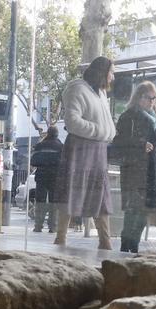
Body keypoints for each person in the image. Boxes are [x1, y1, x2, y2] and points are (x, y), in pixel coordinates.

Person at [54, 56, 117, 249]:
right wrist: (101, 131)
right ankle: (61, 238)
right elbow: (72, 122)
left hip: (97, 151)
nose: (113, 77)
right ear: (102, 72)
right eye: (111, 72)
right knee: (72, 191)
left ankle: (105, 241)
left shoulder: (99, 93)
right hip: (80, 150)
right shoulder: (77, 89)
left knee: (100, 195)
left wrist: (104, 133)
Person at [114, 80, 156, 253]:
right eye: (148, 97)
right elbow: (118, 142)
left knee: (144, 213)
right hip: (134, 170)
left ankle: (133, 245)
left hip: (152, 171)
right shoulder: (128, 116)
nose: (151, 101)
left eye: (154, 98)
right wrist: (140, 144)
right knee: (133, 211)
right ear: (138, 97)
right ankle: (126, 246)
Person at [29, 126, 63, 233]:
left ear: (48, 133)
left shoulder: (39, 146)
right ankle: (53, 227)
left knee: (40, 201)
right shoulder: (61, 147)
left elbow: (33, 161)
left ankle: (38, 226)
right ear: (57, 134)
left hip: (41, 176)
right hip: (56, 177)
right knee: (54, 202)